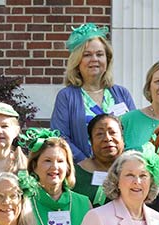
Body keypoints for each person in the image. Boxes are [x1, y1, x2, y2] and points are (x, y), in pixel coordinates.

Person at [51, 23, 135, 163]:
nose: (94, 59)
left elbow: (133, 131)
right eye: (87, 55)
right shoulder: (66, 96)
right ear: (77, 61)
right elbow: (60, 137)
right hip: (83, 172)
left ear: (107, 59)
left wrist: (123, 164)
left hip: (120, 171)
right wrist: (87, 164)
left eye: (99, 54)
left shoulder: (122, 93)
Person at [73, 113, 125, 206]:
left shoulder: (135, 170)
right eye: (99, 134)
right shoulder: (75, 174)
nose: (107, 138)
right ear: (91, 141)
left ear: (122, 138)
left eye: (112, 132)